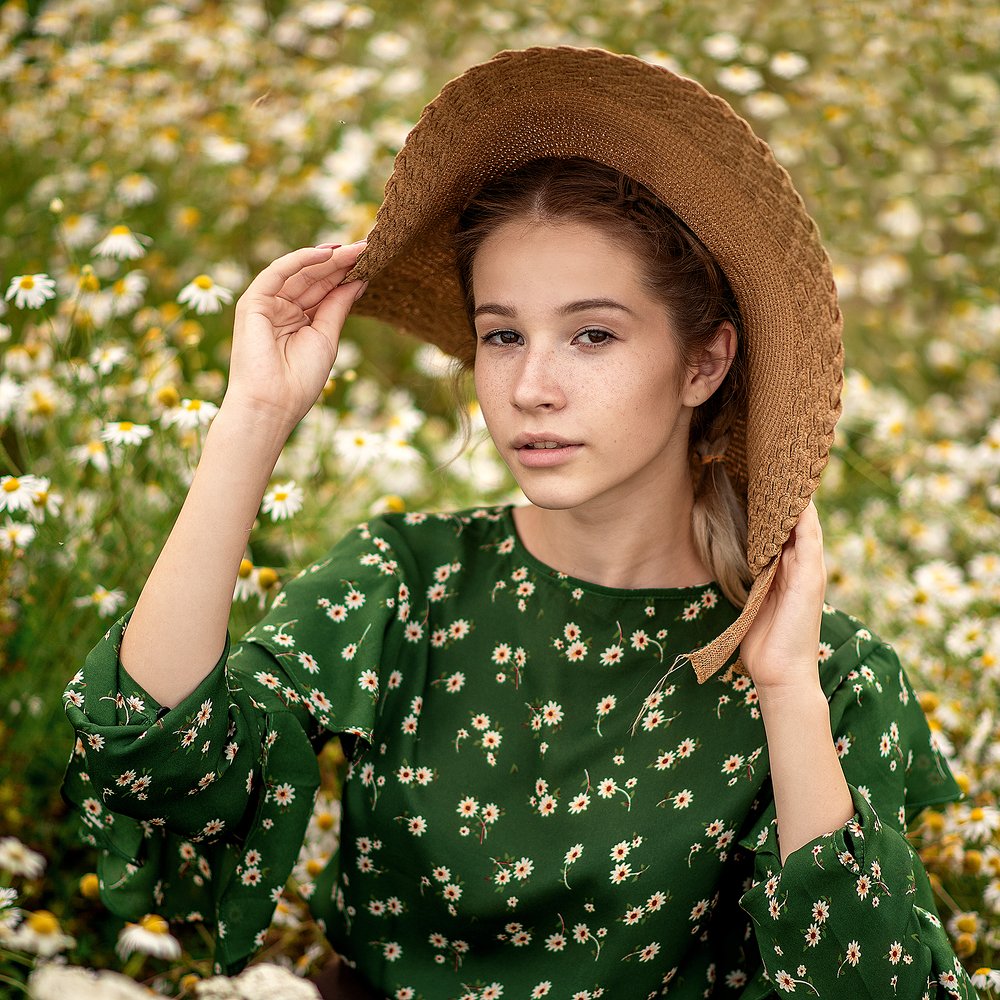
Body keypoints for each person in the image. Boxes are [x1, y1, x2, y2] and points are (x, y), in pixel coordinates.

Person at [61, 46, 979, 999]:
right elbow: (155, 762)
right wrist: (252, 418)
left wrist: (787, 689)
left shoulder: (828, 675)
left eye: (592, 334)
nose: (530, 389)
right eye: (502, 334)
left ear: (703, 365)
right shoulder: (406, 581)